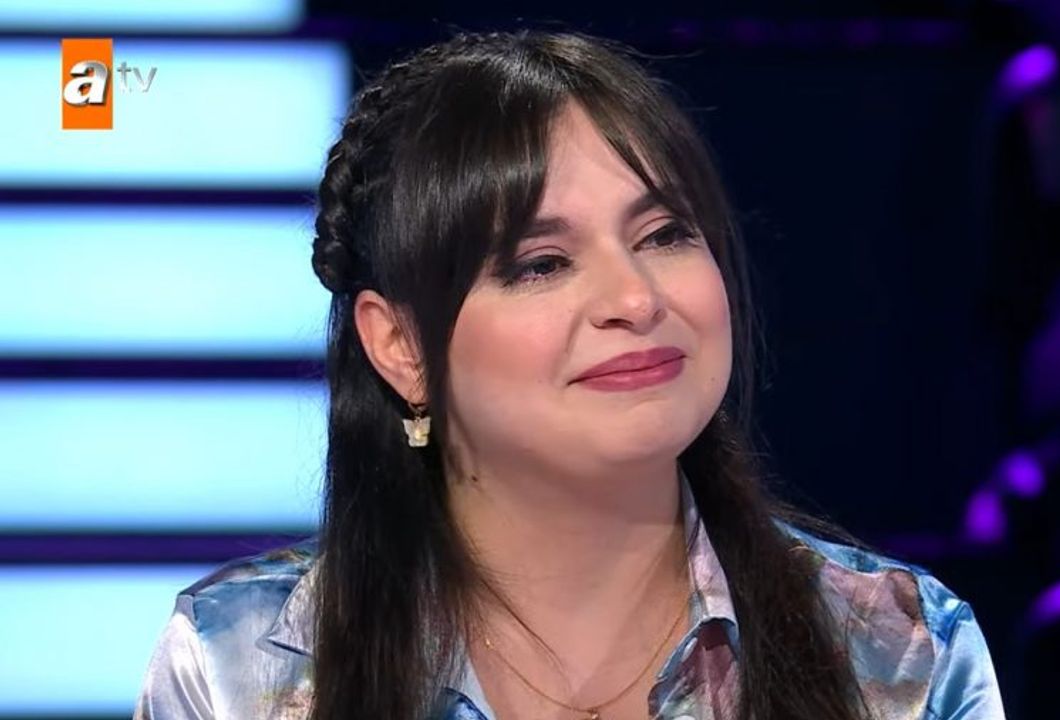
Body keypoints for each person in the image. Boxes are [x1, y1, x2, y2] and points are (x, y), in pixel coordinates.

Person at [134, 30, 1004, 720]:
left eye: (665, 235)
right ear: (400, 346)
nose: (636, 298)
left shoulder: (897, 651)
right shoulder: (238, 667)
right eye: (542, 263)